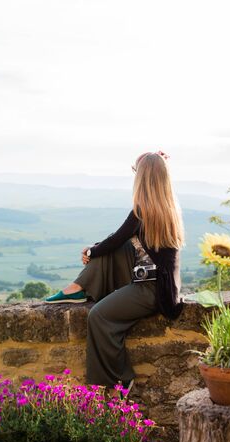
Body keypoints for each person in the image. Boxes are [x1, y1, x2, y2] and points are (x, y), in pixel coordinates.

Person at [45, 151, 185, 392]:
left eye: (136, 173)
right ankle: (78, 288)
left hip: (150, 290)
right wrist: (96, 249)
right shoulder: (166, 209)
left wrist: (90, 252)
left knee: (97, 315)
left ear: (142, 180)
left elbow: (115, 239)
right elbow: (117, 240)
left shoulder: (142, 212)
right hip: (154, 285)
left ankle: (121, 379)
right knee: (111, 246)